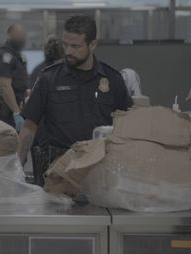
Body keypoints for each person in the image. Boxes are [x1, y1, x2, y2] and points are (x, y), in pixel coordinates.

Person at [17, 15, 133, 186]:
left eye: (75, 46)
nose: (68, 51)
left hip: (98, 174)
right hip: (57, 173)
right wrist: (16, 169)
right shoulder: (48, 79)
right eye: (65, 45)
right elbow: (29, 128)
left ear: (92, 44)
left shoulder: (113, 80)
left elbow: (129, 127)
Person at [0, 24, 29, 132]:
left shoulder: (16, 55)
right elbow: (5, 86)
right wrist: (16, 112)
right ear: (9, 35)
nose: (21, 38)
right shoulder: (5, 55)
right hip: (5, 113)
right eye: (18, 35)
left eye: (23, 36)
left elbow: (19, 82)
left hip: (13, 109)